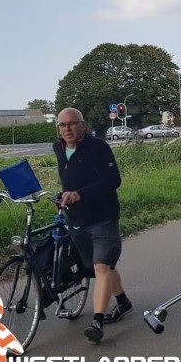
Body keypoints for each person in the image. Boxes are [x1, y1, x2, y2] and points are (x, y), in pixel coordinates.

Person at [53, 108, 132, 344]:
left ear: (83, 125)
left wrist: (80, 194)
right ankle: (123, 301)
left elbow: (113, 180)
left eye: (72, 124)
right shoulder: (58, 148)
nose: (67, 129)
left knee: (100, 266)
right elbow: (69, 178)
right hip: (76, 218)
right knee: (102, 265)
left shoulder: (98, 147)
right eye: (62, 125)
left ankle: (97, 321)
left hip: (102, 216)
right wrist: (64, 195)